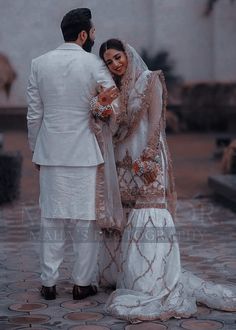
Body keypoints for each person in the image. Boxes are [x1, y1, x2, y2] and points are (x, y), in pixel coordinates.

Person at [92, 39, 236, 321]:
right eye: (109, 62)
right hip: (123, 160)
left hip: (147, 157)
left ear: (127, 54)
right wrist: (101, 110)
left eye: (117, 57)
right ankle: (126, 276)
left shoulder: (150, 80)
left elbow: (156, 121)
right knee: (127, 217)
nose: (115, 64)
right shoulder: (114, 89)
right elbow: (113, 125)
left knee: (149, 216)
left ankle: (152, 279)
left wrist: (148, 154)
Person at [26, 9, 120, 301]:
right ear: (83, 35)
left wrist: (35, 149)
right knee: (85, 220)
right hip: (84, 154)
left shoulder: (38, 64)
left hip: (50, 152)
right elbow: (112, 105)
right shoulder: (94, 64)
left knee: (51, 219)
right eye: (92, 32)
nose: (94, 37)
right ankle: (81, 283)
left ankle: (49, 283)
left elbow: (34, 114)